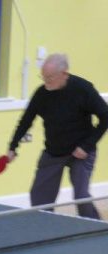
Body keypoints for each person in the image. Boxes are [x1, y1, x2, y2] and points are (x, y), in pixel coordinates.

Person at [6, 53, 108, 219]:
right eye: (43, 77)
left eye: (50, 77)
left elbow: (106, 117)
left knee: (81, 196)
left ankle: (96, 230)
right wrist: (12, 147)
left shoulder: (83, 89)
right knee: (39, 199)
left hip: (80, 151)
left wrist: (87, 146)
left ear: (64, 74)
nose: (46, 82)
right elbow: (25, 121)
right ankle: (44, 229)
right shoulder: (41, 94)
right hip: (54, 151)